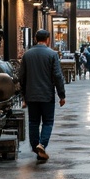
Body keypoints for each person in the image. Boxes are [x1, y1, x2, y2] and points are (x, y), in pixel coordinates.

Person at [17, 28, 66, 163]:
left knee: (33, 122)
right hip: (47, 95)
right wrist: (61, 95)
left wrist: (23, 96)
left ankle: (35, 146)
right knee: (48, 121)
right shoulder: (52, 54)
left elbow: (21, 76)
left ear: (35, 39)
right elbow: (57, 76)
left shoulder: (27, 55)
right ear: (48, 39)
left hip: (31, 95)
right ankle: (42, 145)